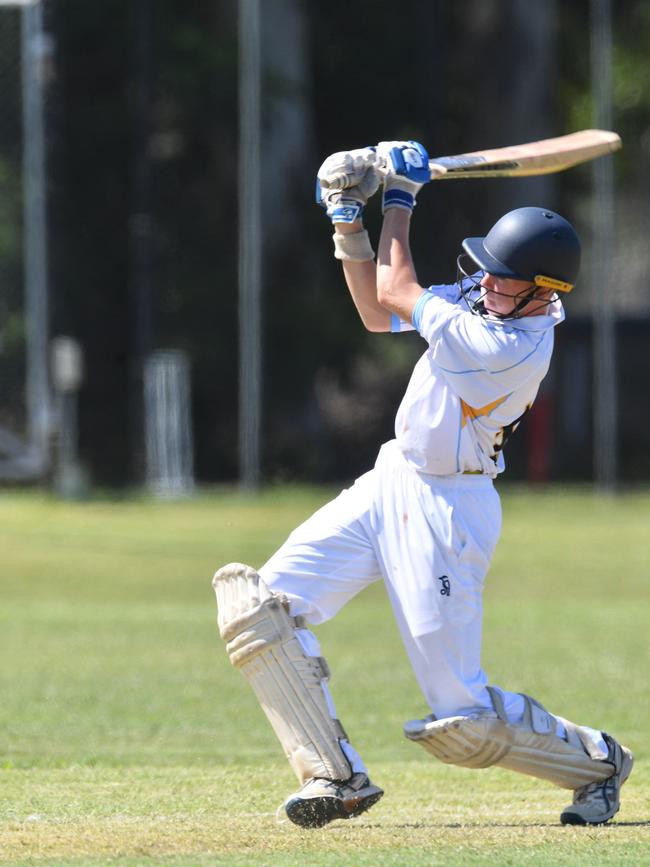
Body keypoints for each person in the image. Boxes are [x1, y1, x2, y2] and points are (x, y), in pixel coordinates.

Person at [212, 141, 633, 829]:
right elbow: (379, 315)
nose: (487, 283)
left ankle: (598, 762)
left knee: (461, 722)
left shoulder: (505, 347)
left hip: (447, 509)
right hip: (392, 478)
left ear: (544, 291)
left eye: (504, 279)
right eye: (488, 272)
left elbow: (395, 289)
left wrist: (400, 199)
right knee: (260, 611)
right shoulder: (496, 304)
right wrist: (349, 221)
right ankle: (334, 775)